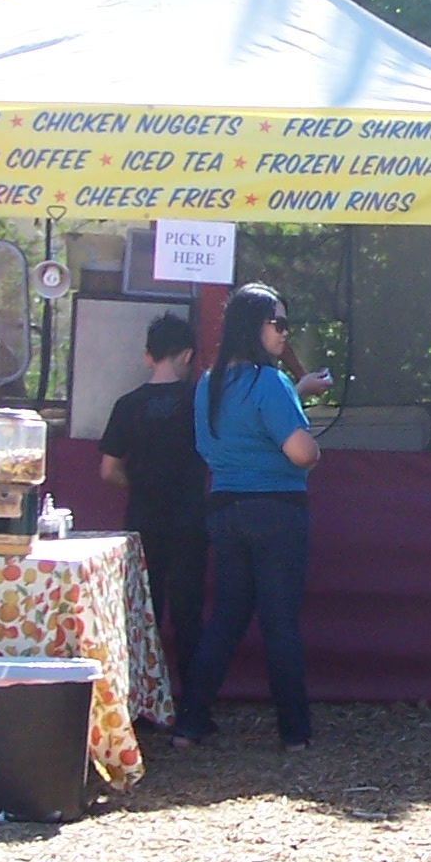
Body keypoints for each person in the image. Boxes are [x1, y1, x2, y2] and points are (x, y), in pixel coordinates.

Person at [172, 284, 322, 752]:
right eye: (278, 323)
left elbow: (208, 444)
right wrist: (311, 442)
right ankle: (294, 733)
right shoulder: (269, 382)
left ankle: (189, 724)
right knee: (279, 622)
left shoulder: (208, 384)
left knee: (226, 618)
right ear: (253, 327)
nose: (284, 332)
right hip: (277, 509)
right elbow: (301, 452)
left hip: (223, 508)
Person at [98, 312, 209, 678]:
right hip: (189, 520)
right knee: (188, 614)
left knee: (144, 613)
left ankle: (143, 695)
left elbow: (109, 470)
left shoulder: (127, 405)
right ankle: (193, 700)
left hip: (142, 520)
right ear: (188, 354)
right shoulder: (198, 403)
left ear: (149, 357)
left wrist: (140, 485)